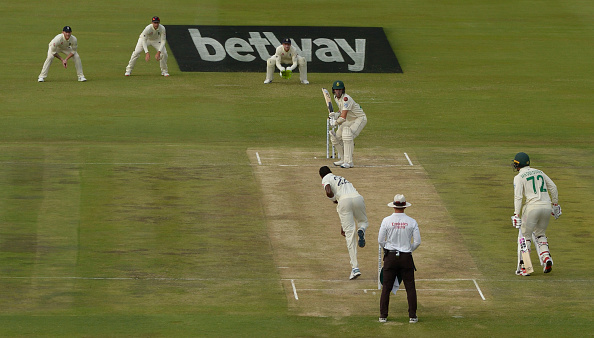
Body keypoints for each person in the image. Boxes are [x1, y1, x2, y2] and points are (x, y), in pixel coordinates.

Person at [511, 152, 561, 276]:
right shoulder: (539, 172)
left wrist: (516, 214)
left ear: (518, 164)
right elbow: (553, 187)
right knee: (540, 234)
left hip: (532, 207)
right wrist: (555, 205)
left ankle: (525, 267)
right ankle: (546, 258)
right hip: (546, 206)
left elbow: (518, 197)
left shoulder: (519, 177)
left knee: (525, 236)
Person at [319, 166, 368, 280]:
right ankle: (361, 230)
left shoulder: (325, 178)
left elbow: (328, 192)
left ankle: (355, 268)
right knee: (363, 222)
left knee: (350, 234)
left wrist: (333, 200)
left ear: (321, 176)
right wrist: (343, 224)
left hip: (343, 201)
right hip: (358, 198)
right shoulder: (341, 178)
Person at [378, 194, 420, 324]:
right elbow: (417, 242)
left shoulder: (386, 220)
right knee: (410, 287)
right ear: (404, 206)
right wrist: (407, 249)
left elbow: (380, 240)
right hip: (406, 257)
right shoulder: (412, 221)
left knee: (386, 287)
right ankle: (412, 316)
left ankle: (383, 316)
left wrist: (388, 249)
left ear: (394, 206)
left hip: (390, 256)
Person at [327, 81, 367, 168]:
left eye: (340, 90)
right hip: (349, 119)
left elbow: (343, 117)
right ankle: (342, 159)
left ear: (343, 90)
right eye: (336, 90)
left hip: (359, 118)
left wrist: (335, 122)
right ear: (333, 90)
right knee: (335, 138)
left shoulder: (346, 99)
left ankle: (348, 162)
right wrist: (335, 114)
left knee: (347, 134)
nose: (338, 92)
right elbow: (342, 111)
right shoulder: (336, 98)